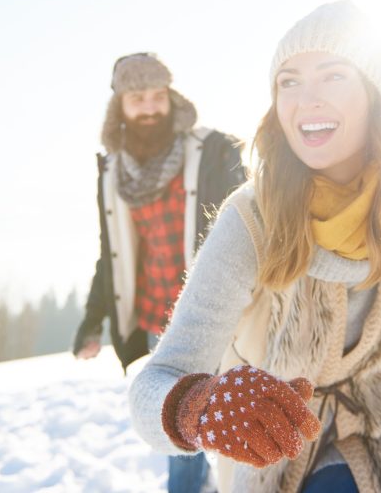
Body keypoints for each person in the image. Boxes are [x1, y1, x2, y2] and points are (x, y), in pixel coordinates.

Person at [128, 1, 381, 493]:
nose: (306, 100)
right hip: (270, 443)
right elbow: (156, 381)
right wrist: (200, 406)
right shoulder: (251, 219)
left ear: (373, 93)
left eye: (333, 76)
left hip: (374, 431)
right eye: (289, 82)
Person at [72, 52, 246, 492]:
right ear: (120, 107)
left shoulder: (212, 151)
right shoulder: (112, 171)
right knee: (182, 426)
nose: (149, 107)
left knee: (235, 423)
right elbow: (110, 253)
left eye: (156, 95)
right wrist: (93, 320)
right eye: (137, 98)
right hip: (157, 323)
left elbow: (253, 227)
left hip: (220, 314)